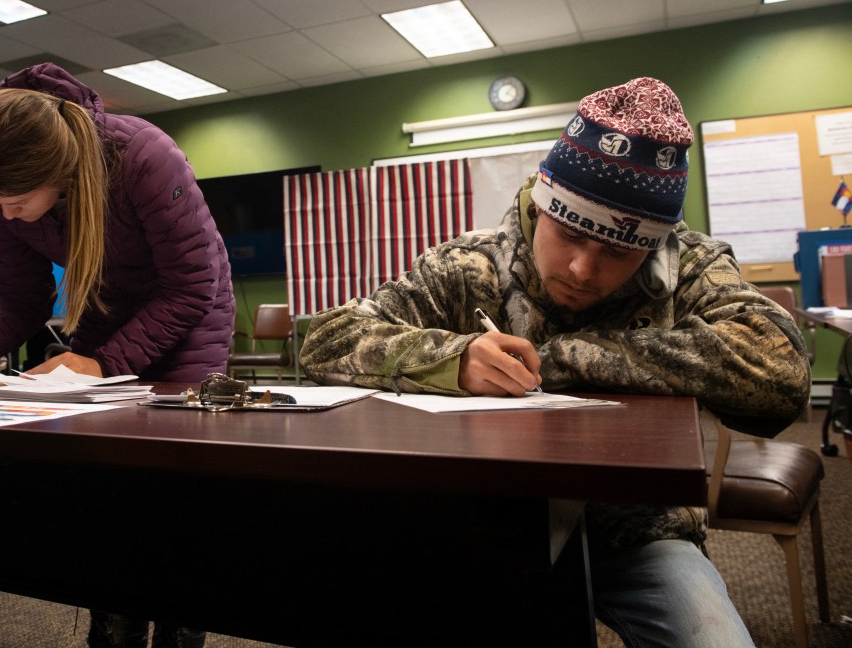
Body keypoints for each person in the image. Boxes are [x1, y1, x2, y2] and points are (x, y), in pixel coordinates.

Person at [298, 77, 810, 647]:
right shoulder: (469, 266)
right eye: (569, 234)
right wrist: (453, 357)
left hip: (638, 531)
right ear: (541, 206)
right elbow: (326, 339)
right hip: (483, 521)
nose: (582, 270)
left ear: (654, 246)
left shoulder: (689, 266)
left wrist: (564, 358)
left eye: (617, 250)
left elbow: (779, 371)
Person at [0, 62, 235, 648]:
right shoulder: (0, 187)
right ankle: (113, 627)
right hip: (106, 320)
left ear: (59, 172)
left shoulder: (144, 156)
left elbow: (191, 286)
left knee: (177, 496)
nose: (5, 215)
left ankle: (180, 628)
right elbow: (24, 299)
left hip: (190, 321)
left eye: (18, 201)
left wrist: (101, 364)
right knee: (106, 489)